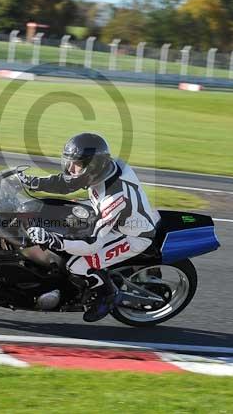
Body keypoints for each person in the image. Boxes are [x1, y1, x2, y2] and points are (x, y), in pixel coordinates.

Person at [19, 133, 160, 322]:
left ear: (93, 167)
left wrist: (54, 240)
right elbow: (68, 183)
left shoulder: (113, 199)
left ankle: (108, 294)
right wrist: (34, 182)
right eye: (69, 162)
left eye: (76, 164)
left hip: (131, 235)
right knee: (57, 211)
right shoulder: (107, 168)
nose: (70, 168)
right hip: (111, 216)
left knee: (77, 265)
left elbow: (92, 243)